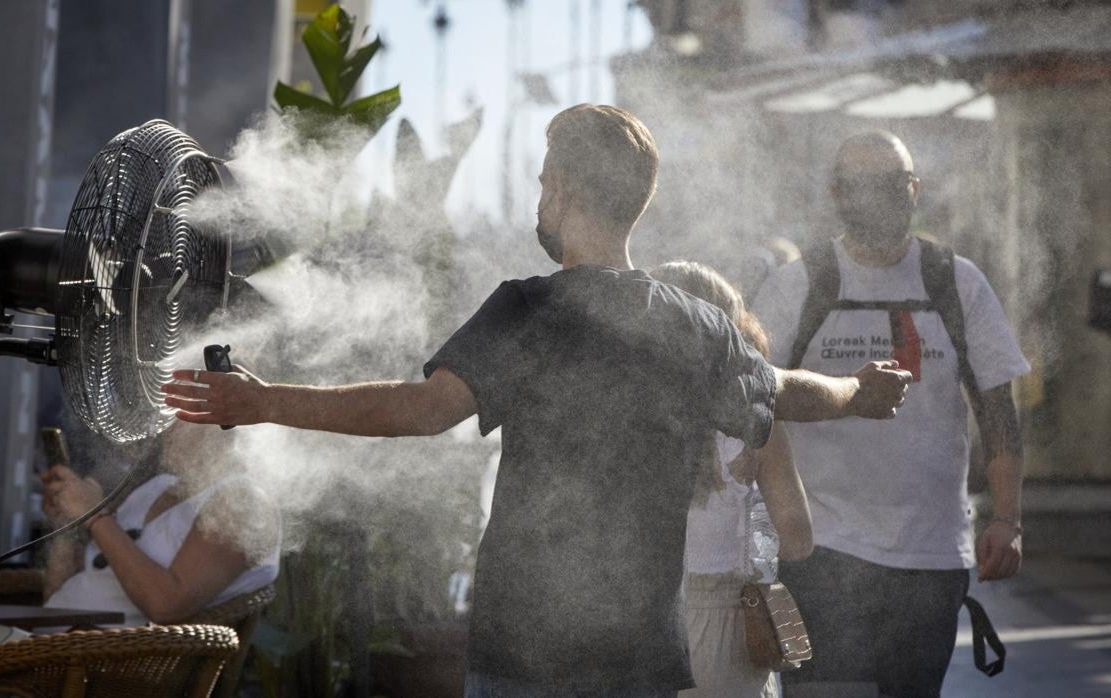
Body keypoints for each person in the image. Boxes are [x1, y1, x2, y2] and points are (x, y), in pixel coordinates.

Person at [161, 104, 911, 695]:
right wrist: (859, 393)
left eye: (545, 180)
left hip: (522, 655)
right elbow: (786, 393)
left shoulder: (527, 310)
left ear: (565, 191)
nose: (539, 196)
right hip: (640, 658)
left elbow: (418, 412)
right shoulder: (696, 327)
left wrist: (263, 403)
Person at [751, 130, 1030, 698]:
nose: (880, 197)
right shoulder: (800, 284)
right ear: (836, 193)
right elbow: (754, 397)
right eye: (863, 185)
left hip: (928, 556)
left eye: (894, 184)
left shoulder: (956, 282)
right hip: (823, 547)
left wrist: (1008, 518)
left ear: (914, 189)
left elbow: (997, 408)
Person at [651, 261, 812, 698]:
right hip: (728, 633)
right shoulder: (758, 424)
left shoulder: (630, 420)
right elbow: (798, 539)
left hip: (645, 629)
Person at [40, 421, 281, 626]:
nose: (163, 426)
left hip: (103, 664)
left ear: (223, 422)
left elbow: (165, 605)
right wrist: (68, 523)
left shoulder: (243, 502)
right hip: (52, 642)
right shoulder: (161, 485)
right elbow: (84, 582)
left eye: (179, 413)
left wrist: (94, 516)